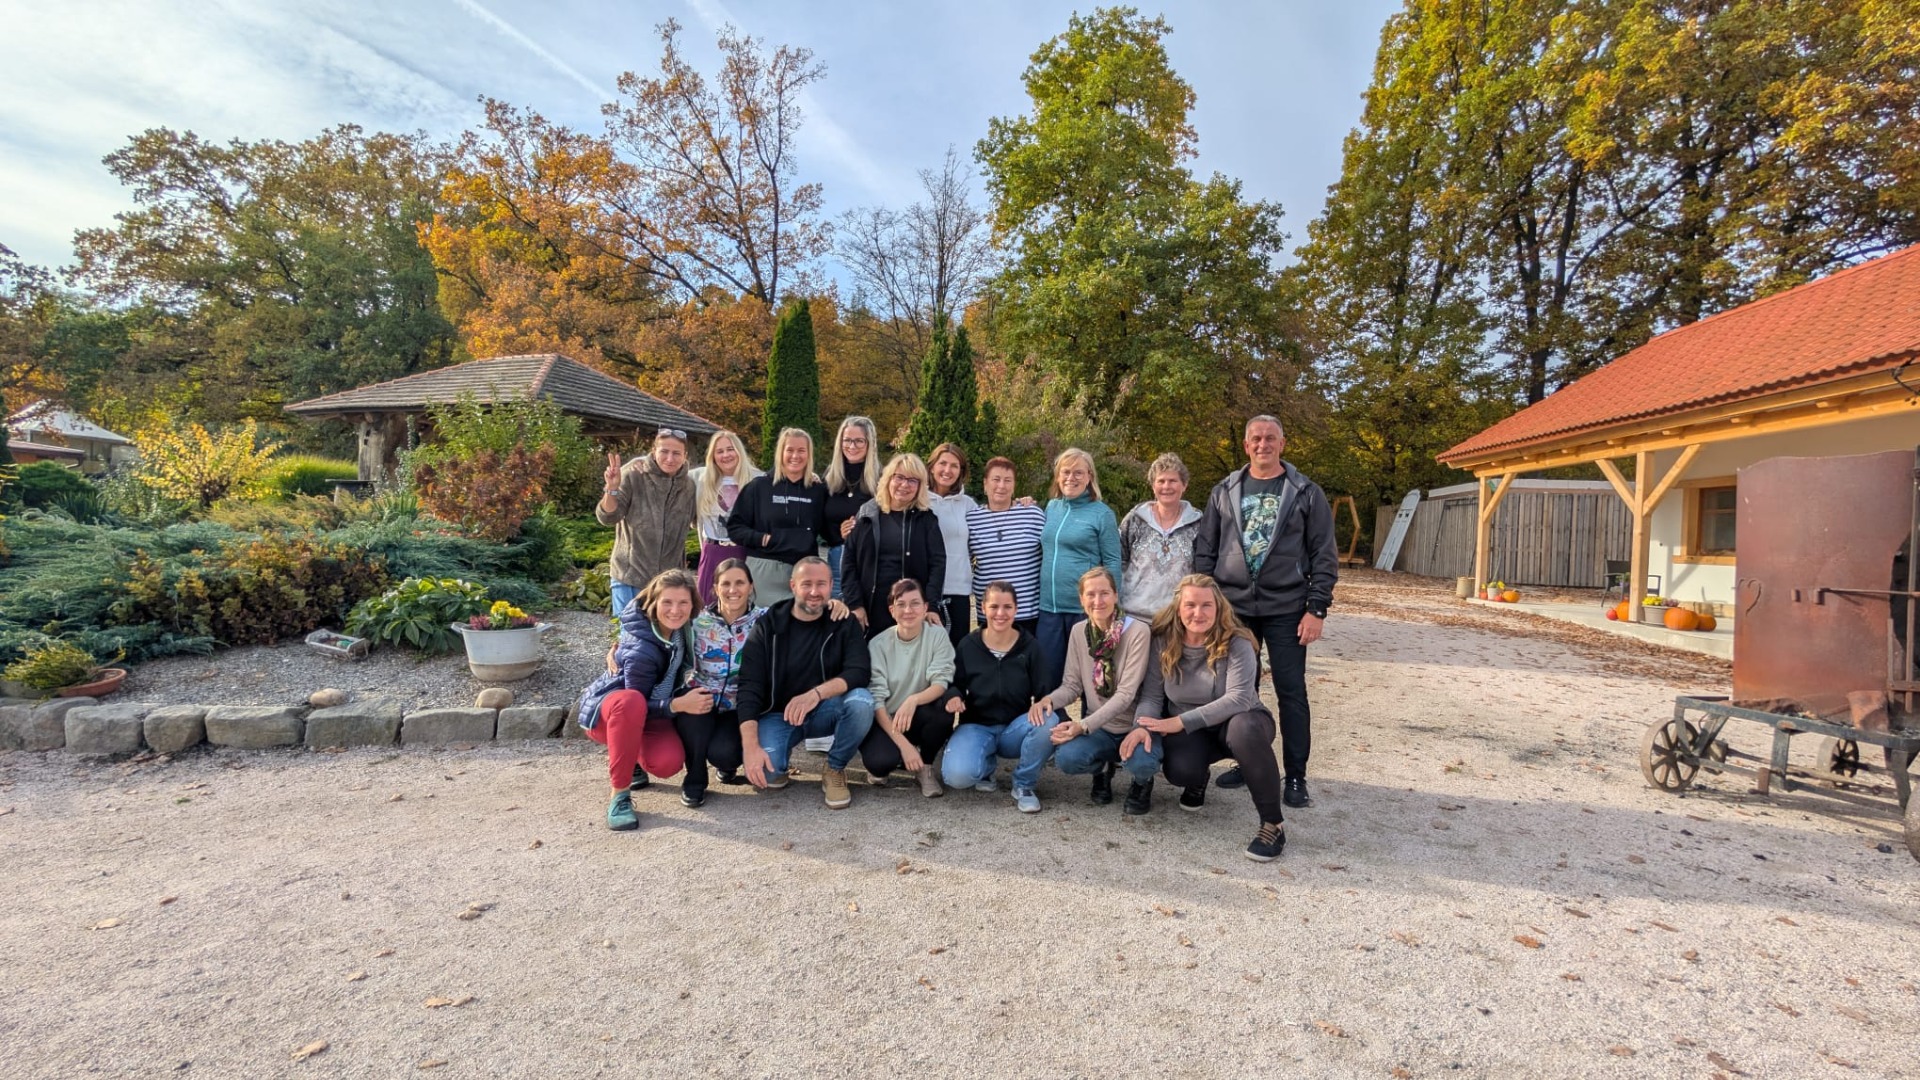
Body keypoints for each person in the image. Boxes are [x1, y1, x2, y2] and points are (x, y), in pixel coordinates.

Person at [1192, 415, 1338, 809]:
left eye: (1270, 438)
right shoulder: (1224, 491)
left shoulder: (1306, 492)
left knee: (1292, 692)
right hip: (1234, 609)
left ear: (1282, 444)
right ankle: (1247, 759)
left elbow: (1324, 554)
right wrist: (1207, 603)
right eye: (1256, 438)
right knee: (1238, 692)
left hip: (1287, 607)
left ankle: (1296, 775)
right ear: (1246, 445)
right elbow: (1206, 550)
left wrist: (1317, 608)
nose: (1263, 444)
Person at [1130, 574, 1287, 861]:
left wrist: (1179, 722)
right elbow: (1151, 697)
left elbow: (1238, 699)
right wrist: (1141, 727)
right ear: (1178, 608)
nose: (1198, 613)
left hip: (1240, 722)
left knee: (1244, 729)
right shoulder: (1162, 641)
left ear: (1219, 608)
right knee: (1180, 771)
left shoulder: (1237, 641)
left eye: (1206, 605)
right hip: (1195, 732)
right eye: (1190, 605)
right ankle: (1198, 776)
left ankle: (1272, 824)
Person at [736, 557, 875, 809]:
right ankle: (780, 762)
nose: (814, 591)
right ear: (793, 585)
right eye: (806, 584)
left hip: (825, 709)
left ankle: (834, 768)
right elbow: (749, 685)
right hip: (779, 715)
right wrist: (750, 746)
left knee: (862, 702)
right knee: (765, 776)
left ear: (831, 585)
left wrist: (815, 694)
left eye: (821, 584)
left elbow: (859, 671)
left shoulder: (843, 622)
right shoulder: (769, 625)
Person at [575, 569, 703, 831]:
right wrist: (676, 705)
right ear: (653, 603)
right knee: (632, 702)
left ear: (693, 605)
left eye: (683, 602)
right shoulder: (641, 650)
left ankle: (631, 755)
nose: (675, 610)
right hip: (613, 712)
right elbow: (638, 704)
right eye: (667, 602)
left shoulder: (683, 630)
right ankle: (619, 796)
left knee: (667, 763)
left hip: (651, 709)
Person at [1024, 567, 1157, 812]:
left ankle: (1142, 781)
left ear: (1116, 595)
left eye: (1104, 593)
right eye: (1091, 594)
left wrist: (1083, 726)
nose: (1098, 601)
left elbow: (1126, 694)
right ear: (1081, 599)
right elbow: (1072, 685)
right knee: (1067, 759)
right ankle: (1103, 768)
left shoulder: (1138, 631)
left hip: (1134, 726)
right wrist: (1048, 701)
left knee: (1143, 762)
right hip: (1100, 728)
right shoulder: (1079, 631)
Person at [941, 580, 1051, 811]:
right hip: (976, 726)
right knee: (957, 777)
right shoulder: (968, 645)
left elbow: (1045, 691)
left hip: (1014, 729)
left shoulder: (1030, 646)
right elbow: (954, 683)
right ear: (983, 608)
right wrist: (953, 696)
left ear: (1016, 609)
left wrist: (1041, 702)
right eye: (994, 607)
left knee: (1049, 720)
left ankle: (1024, 784)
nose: (1000, 614)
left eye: (1007, 607)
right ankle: (986, 765)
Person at [858, 578, 956, 797]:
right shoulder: (878, 644)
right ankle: (900, 754)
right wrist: (904, 746)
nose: (908, 610)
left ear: (925, 607)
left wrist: (913, 700)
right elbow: (877, 700)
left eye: (915, 603)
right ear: (892, 610)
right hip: (886, 719)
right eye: (901, 604)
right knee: (880, 763)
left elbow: (940, 683)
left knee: (944, 710)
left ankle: (925, 767)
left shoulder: (937, 636)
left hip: (917, 713)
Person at [1036, 447, 1121, 692]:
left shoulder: (1102, 513)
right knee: (1048, 679)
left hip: (1085, 611)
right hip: (1049, 609)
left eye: (1078, 473)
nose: (1070, 478)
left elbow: (1113, 561)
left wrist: (1111, 607)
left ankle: (1091, 717)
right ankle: (1053, 717)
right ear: (1057, 476)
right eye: (1066, 472)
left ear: (1089, 477)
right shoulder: (1051, 507)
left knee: (1091, 682)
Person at [597, 428, 697, 617]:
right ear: (654, 451)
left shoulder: (689, 486)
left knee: (665, 634)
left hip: (669, 583)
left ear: (685, 456)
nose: (670, 458)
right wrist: (611, 489)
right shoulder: (633, 475)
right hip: (630, 577)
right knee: (629, 633)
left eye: (676, 453)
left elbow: (700, 520)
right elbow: (608, 517)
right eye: (664, 451)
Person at [845, 452, 946, 639]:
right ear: (888, 479)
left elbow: (938, 565)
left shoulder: (926, 520)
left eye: (912, 480)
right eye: (899, 477)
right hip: (870, 608)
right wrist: (855, 604)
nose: (904, 485)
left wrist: (931, 606)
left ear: (920, 487)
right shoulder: (867, 514)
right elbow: (849, 562)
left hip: (910, 611)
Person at [726, 427, 829, 607]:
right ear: (781, 452)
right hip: (764, 571)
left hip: (804, 572)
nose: (795, 456)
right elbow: (735, 528)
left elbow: (828, 530)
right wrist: (762, 539)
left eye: (801, 450)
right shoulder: (759, 487)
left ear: (809, 454)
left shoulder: (818, 491)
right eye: (789, 450)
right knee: (764, 623)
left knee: (803, 624)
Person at [966, 456, 1046, 638]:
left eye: (1007, 480)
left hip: (1028, 612)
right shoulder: (972, 519)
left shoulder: (1032, 514)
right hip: (991, 613)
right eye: (996, 479)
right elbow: (963, 560)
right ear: (985, 484)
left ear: (1014, 485)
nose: (1001, 486)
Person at [1119, 452, 1202, 621]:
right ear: (1153, 486)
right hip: (1134, 616)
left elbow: (1202, 572)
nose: (1166, 486)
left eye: (1173, 481)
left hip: (1177, 618)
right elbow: (1118, 560)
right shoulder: (1135, 519)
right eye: (1161, 481)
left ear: (1184, 485)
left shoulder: (1198, 523)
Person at [689, 430, 761, 607]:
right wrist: (640, 462)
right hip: (712, 552)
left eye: (730, 449)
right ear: (713, 456)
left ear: (739, 451)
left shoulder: (758, 479)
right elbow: (668, 466)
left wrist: (811, 476)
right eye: (719, 451)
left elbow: (786, 478)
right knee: (706, 610)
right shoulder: (700, 477)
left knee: (743, 606)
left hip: (745, 553)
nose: (726, 455)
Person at [823, 416, 881, 601]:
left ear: (869, 443)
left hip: (871, 560)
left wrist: (858, 533)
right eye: (847, 440)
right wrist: (838, 534)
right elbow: (820, 521)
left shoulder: (881, 479)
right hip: (837, 560)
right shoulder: (829, 477)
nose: (852, 446)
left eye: (859, 441)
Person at [926, 442, 978, 648]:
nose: (947, 470)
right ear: (932, 466)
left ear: (961, 471)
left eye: (954, 466)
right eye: (943, 463)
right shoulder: (918, 500)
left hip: (958, 591)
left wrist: (1019, 504)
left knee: (957, 653)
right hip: (924, 591)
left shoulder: (968, 505)